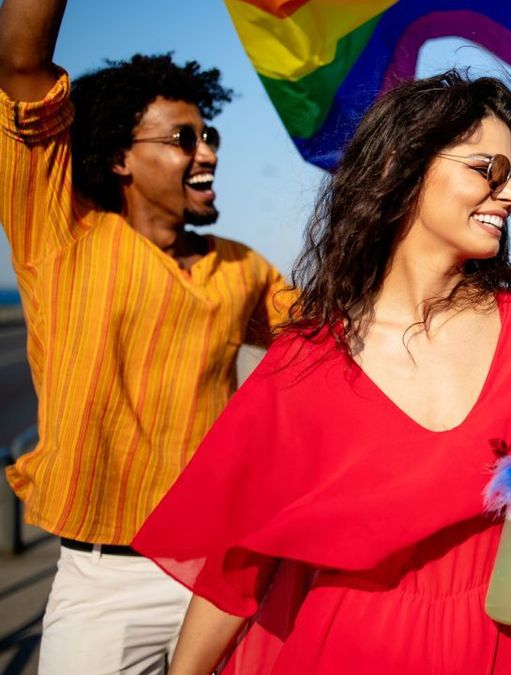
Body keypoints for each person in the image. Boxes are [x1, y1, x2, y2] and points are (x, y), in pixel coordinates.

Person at [131, 70, 511, 674]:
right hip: (330, 648)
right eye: (488, 170)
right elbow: (236, 569)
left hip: (489, 650)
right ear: (402, 165)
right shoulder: (306, 357)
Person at [0, 1, 293, 671]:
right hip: (107, 587)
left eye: (209, 133)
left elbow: (335, 343)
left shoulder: (242, 266)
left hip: (224, 576)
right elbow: (21, 66)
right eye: (183, 138)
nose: (208, 151)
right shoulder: (61, 235)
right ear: (118, 160)